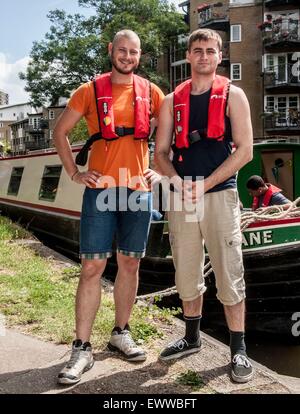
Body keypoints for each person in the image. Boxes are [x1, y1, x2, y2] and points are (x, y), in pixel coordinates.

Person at [54, 29, 164, 385]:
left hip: (137, 191)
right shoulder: (88, 91)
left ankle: (121, 332)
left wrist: (159, 170)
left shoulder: (153, 92)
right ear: (111, 51)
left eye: (133, 52)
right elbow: (61, 132)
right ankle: (81, 348)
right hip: (101, 190)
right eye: (122, 50)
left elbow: (169, 136)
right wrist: (74, 172)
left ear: (139, 55)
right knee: (92, 266)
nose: (127, 56)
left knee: (130, 262)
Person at [155, 28, 254, 383]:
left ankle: (238, 350)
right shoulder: (171, 101)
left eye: (210, 51)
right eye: (197, 50)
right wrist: (179, 183)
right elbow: (160, 155)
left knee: (229, 272)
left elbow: (245, 151)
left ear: (219, 56)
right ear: (188, 55)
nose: (203, 56)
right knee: (186, 271)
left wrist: (206, 184)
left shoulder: (234, 95)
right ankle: (192, 337)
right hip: (182, 199)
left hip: (220, 195)